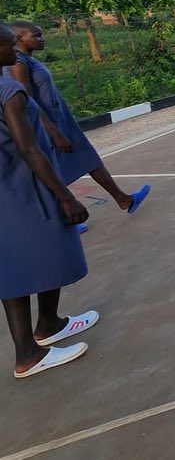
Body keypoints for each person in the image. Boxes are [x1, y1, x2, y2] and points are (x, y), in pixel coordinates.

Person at [0, 24, 96, 378]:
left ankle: (49, 324)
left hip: (7, 189)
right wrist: (65, 196)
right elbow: (28, 148)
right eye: (7, 43)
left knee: (11, 268)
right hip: (24, 186)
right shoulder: (9, 89)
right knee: (49, 250)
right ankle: (28, 353)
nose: (14, 47)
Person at [4, 22, 150, 223]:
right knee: (52, 172)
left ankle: (123, 199)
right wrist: (54, 133)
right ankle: (66, 220)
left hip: (59, 120)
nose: (42, 39)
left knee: (88, 159)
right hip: (48, 126)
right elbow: (28, 102)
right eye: (36, 35)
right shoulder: (19, 63)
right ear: (19, 38)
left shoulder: (28, 60)